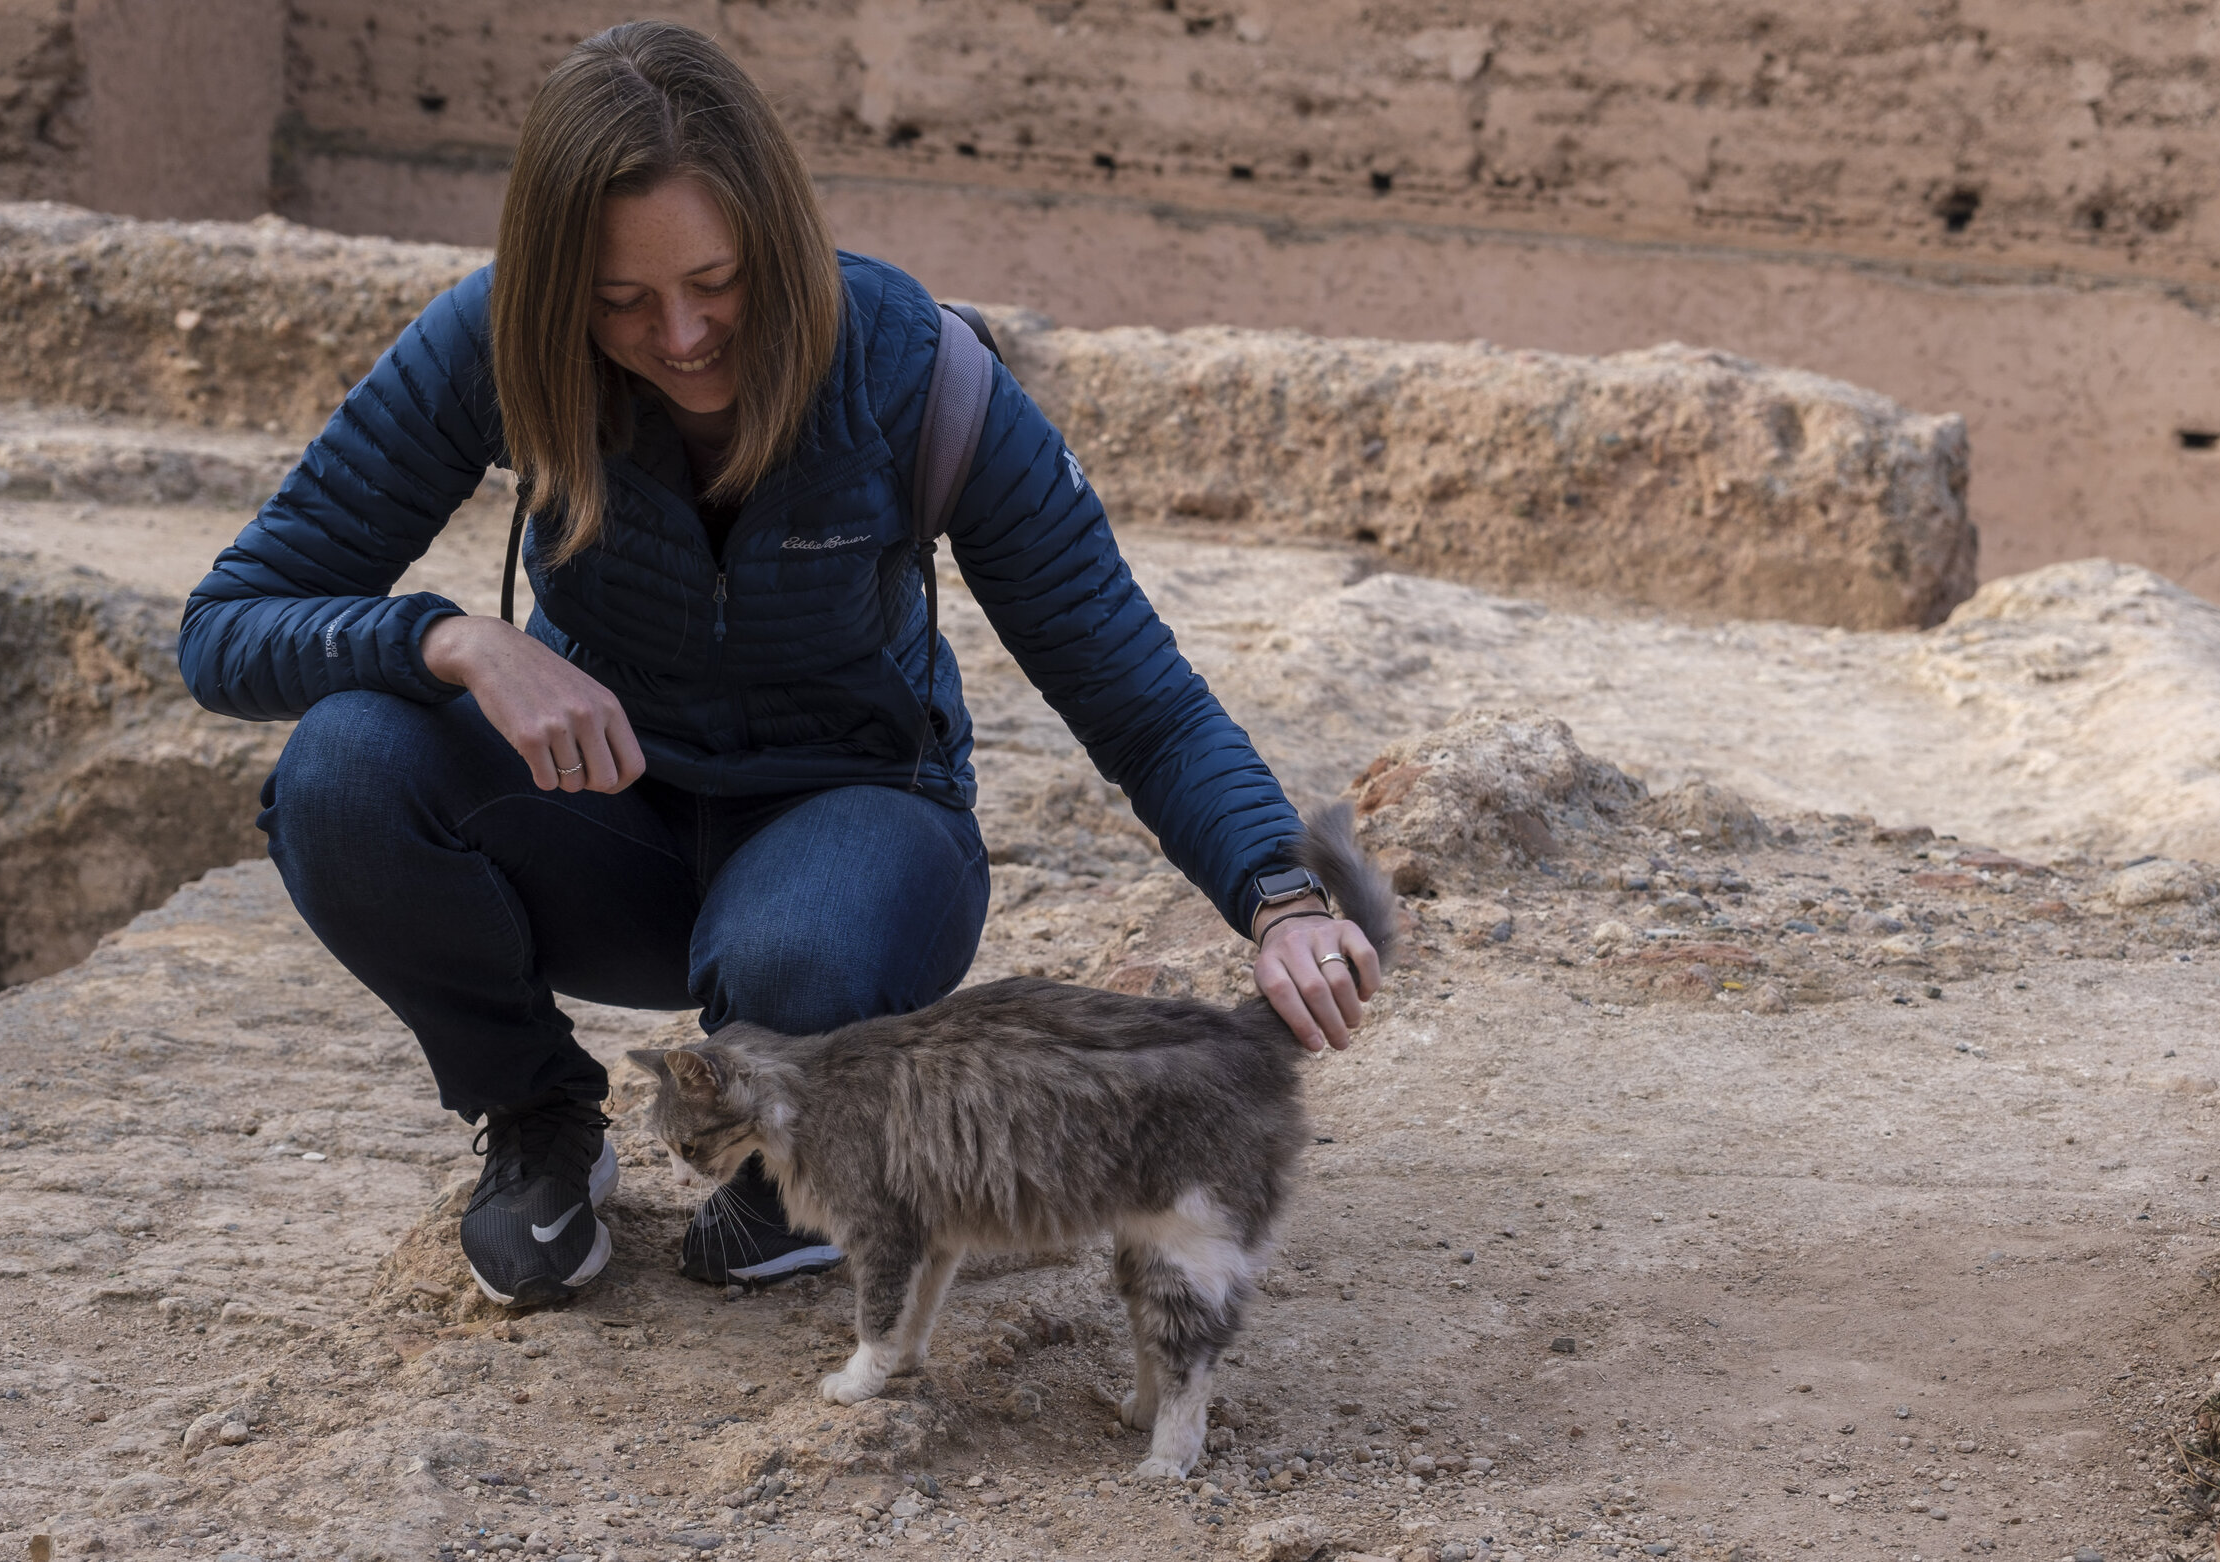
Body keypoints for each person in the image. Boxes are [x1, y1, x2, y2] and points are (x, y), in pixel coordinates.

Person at [178, 20, 1381, 1307]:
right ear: (551, 287)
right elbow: (228, 622)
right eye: (620, 301)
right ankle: (538, 1117)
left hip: (856, 836)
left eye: (719, 279)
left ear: (782, 240)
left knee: (797, 951)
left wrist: (1280, 893)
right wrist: (452, 638)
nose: (683, 336)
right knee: (342, 770)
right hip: (610, 822)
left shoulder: (918, 372)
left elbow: (1132, 688)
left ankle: (798, 1163)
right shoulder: (495, 342)